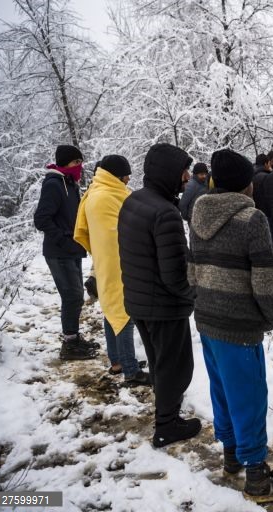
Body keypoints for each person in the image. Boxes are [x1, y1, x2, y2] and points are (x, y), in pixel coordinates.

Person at [189, 148, 273, 503]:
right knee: (250, 396)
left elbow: (192, 268)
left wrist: (200, 301)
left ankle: (232, 456)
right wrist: (270, 315)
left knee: (223, 389)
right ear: (246, 186)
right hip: (239, 323)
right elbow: (265, 279)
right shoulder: (253, 220)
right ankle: (256, 478)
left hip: (207, 318)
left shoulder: (197, 212)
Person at [118, 143, 200, 448]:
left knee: (159, 364)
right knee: (174, 368)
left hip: (140, 301)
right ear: (169, 173)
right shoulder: (165, 213)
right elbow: (175, 274)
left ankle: (168, 417)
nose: (188, 177)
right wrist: (194, 295)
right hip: (164, 306)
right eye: (183, 171)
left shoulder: (134, 201)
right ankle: (166, 427)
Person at [74, 155, 150, 385]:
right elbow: (119, 233)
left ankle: (117, 362)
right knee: (123, 312)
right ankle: (130, 370)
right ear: (117, 175)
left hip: (108, 261)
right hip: (117, 262)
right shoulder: (107, 196)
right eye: (126, 175)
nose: (128, 180)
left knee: (111, 312)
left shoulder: (98, 192)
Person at [34, 144, 97, 360]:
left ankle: (73, 337)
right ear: (64, 163)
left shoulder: (71, 184)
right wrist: (63, 239)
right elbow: (41, 219)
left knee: (75, 295)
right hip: (59, 251)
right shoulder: (54, 184)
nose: (79, 166)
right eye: (75, 162)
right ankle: (70, 345)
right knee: (72, 296)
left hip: (72, 249)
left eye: (80, 162)